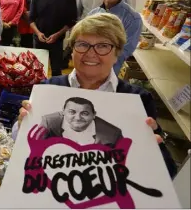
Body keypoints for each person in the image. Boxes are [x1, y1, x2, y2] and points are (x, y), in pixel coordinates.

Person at [14, 13, 177, 178]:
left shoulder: (138, 99)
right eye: (83, 44)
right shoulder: (48, 89)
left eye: (103, 46)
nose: (91, 53)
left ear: (117, 54)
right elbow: (21, 150)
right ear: (72, 51)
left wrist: (153, 152)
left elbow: (168, 172)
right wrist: (21, 127)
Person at [88, 0, 142, 75]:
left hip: (108, 70)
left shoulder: (133, 18)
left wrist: (99, 58)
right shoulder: (93, 13)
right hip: (88, 64)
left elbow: (126, 50)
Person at [30, 0, 77, 76]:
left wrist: (57, 34)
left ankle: (55, 91)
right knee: (37, 70)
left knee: (56, 70)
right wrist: (38, 33)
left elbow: (72, 21)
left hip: (57, 41)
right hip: (39, 40)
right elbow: (31, 19)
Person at [40, 97, 122, 147]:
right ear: (63, 112)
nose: (78, 118)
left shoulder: (112, 134)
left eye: (84, 113)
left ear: (94, 115)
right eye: (72, 112)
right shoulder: (48, 123)